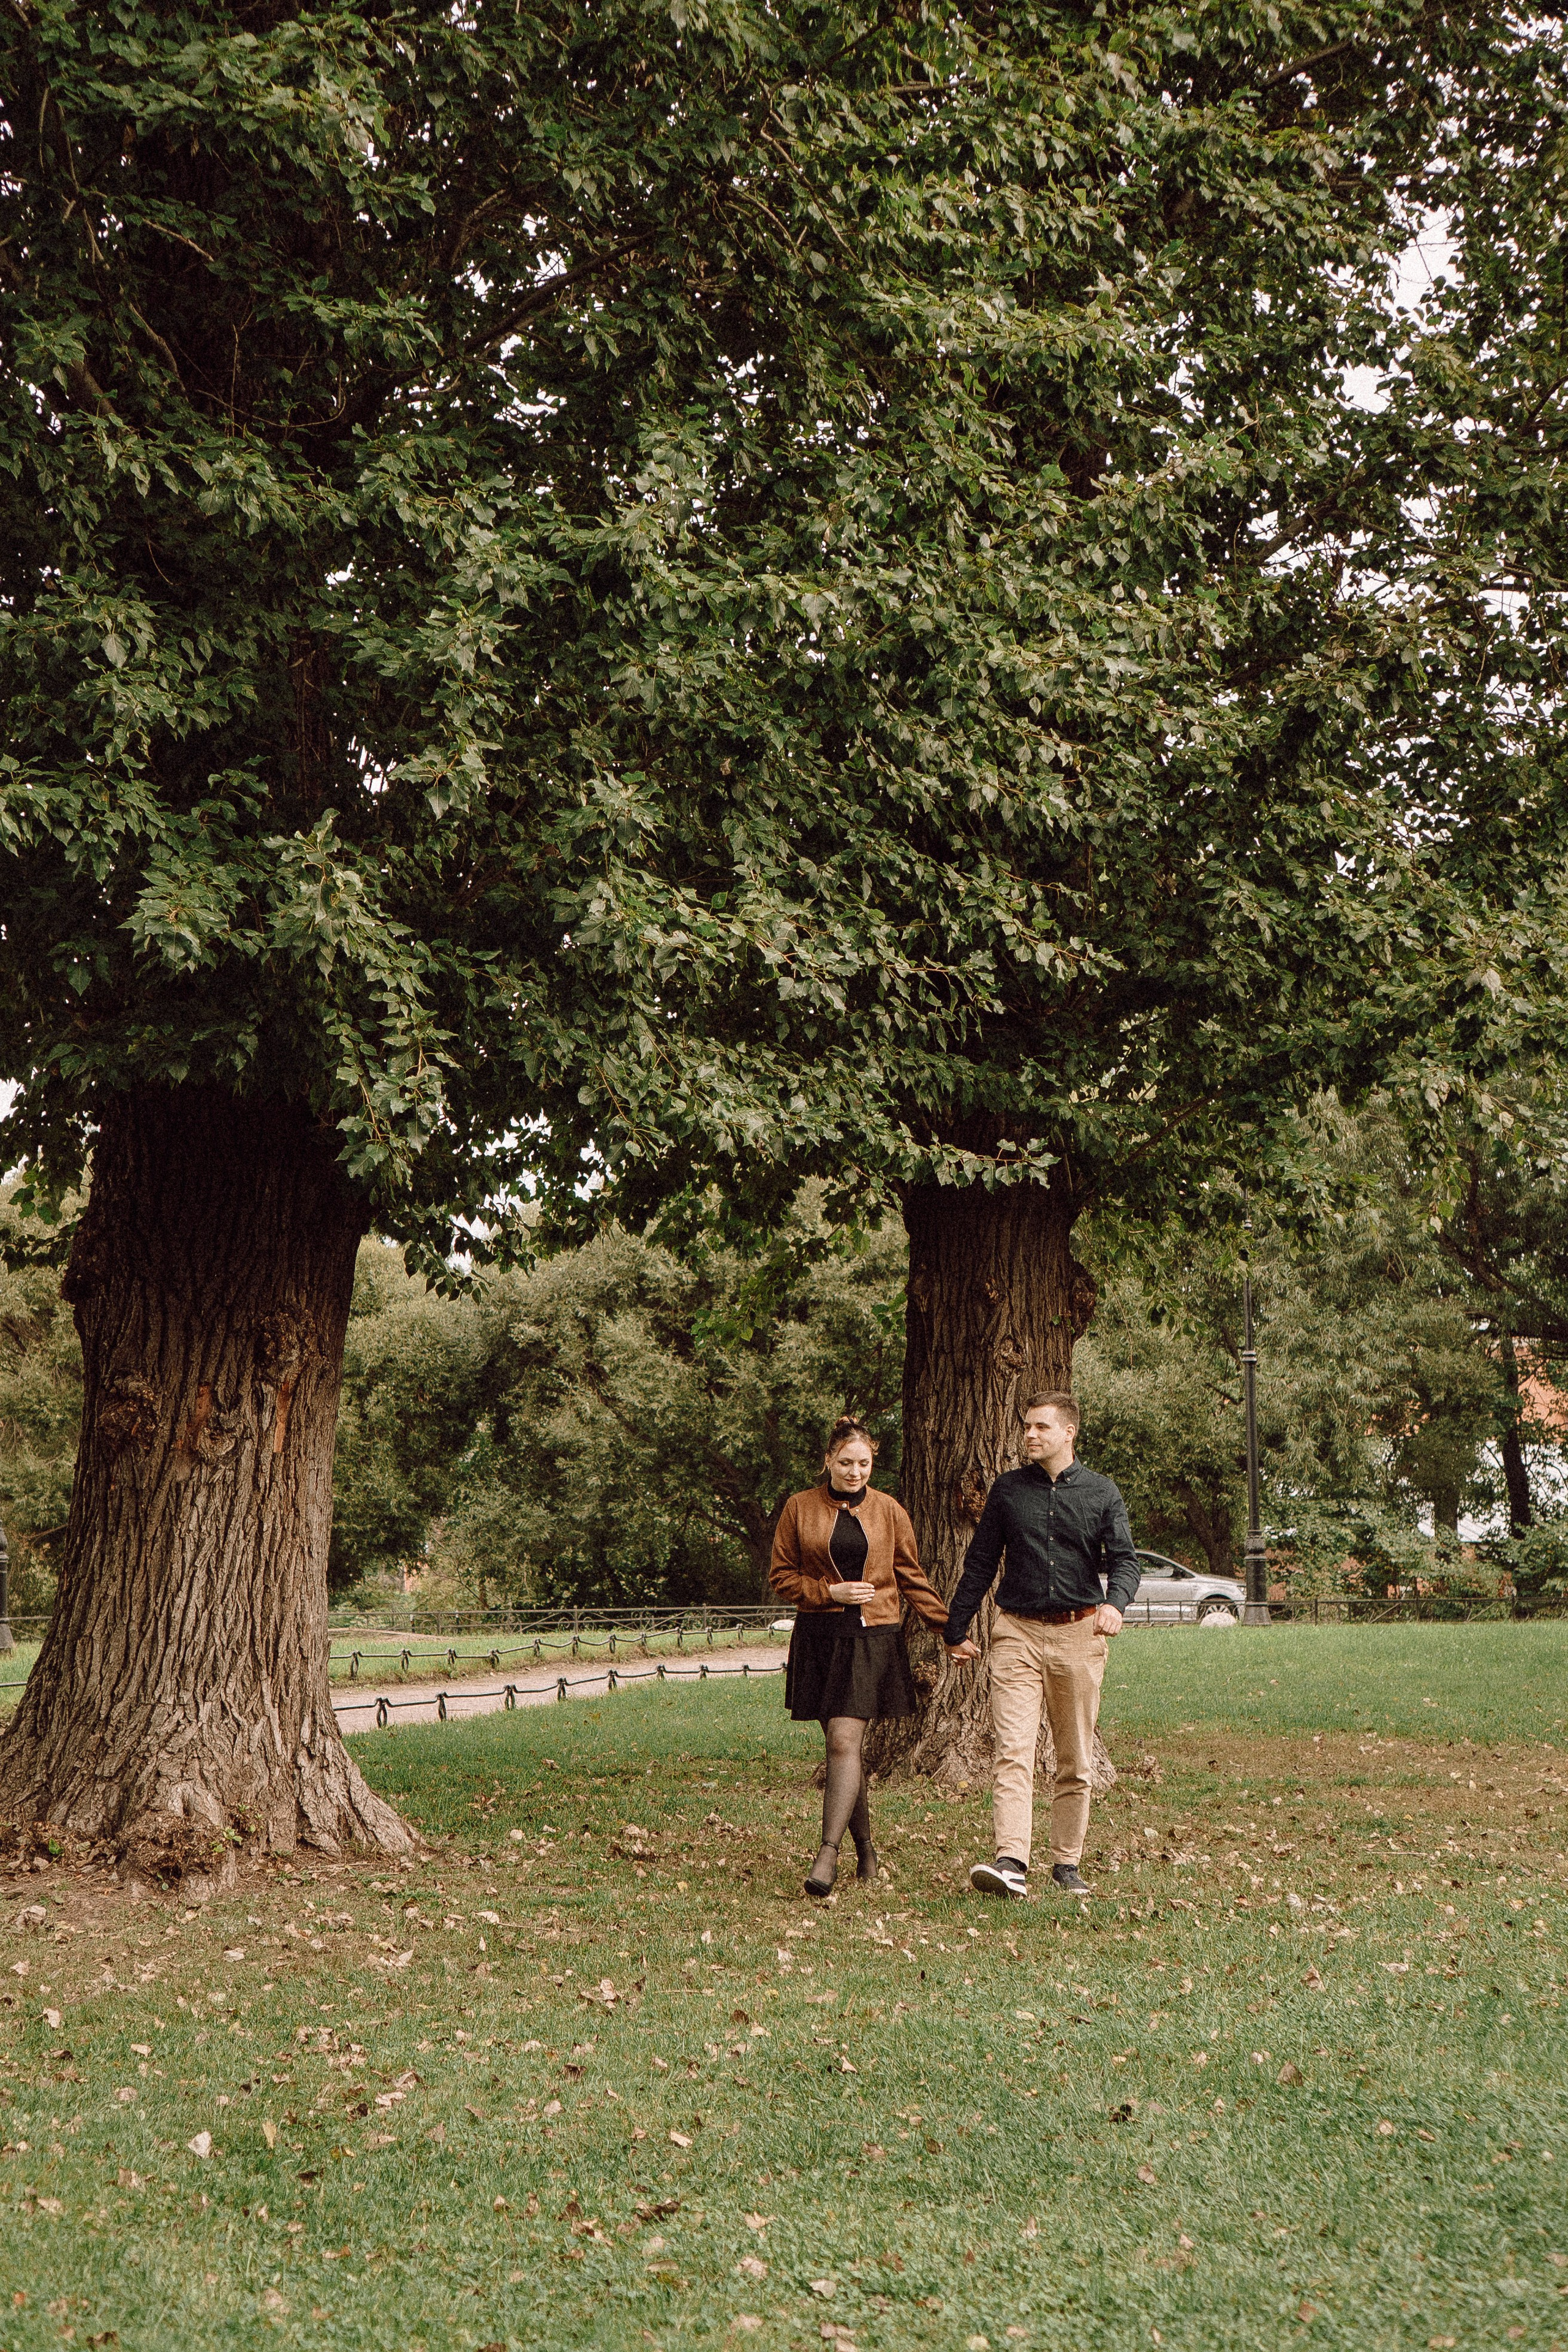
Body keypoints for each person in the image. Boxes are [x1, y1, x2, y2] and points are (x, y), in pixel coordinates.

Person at [943, 1389, 1139, 1899]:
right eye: (1027, 1426)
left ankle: (1066, 1863)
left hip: (1081, 1632)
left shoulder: (1101, 1492)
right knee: (1013, 1749)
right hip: (1017, 1633)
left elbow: (1125, 1560)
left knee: (1074, 1757)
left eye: (1041, 1428)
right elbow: (982, 1562)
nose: (1030, 1435)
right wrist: (956, 1627)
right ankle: (1011, 1861)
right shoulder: (1008, 1492)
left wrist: (1115, 1603)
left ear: (1068, 1432)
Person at [770, 1414, 952, 1898]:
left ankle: (827, 1854)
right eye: (846, 1462)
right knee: (839, 1747)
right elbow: (781, 1577)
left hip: (872, 1638)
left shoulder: (889, 1510)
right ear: (828, 1460)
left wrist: (947, 1628)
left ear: (873, 1464)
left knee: (844, 1742)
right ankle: (867, 1852)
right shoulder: (798, 1508)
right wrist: (830, 1591)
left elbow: (911, 1575)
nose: (855, 1472)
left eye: (864, 1464)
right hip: (819, 1638)